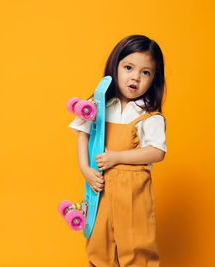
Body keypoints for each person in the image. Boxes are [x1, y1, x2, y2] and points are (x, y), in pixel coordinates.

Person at [69, 35, 166, 267]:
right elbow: (83, 134)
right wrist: (85, 169)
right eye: (129, 67)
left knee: (136, 242)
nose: (135, 77)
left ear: (154, 79)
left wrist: (117, 157)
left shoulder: (148, 114)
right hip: (100, 188)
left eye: (146, 72)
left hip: (133, 191)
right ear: (115, 67)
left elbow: (156, 151)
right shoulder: (99, 104)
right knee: (99, 242)